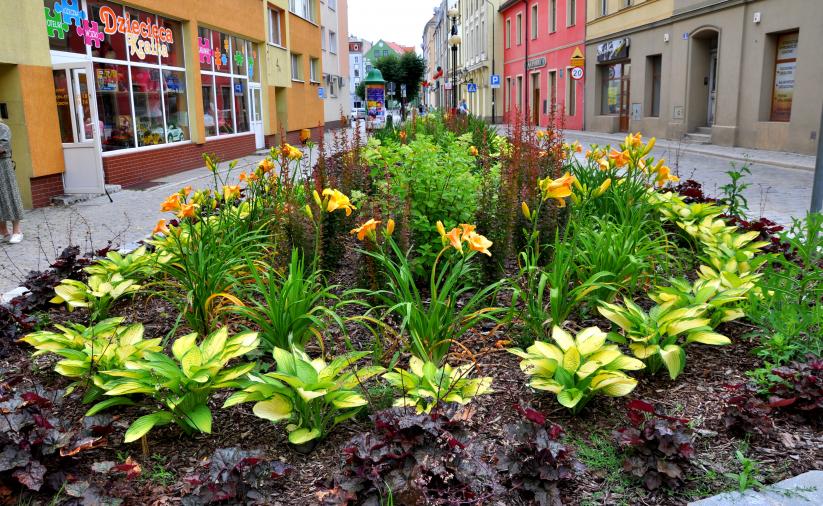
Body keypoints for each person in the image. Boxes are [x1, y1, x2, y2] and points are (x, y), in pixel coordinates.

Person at [0, 119, 24, 244]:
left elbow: (3, 147)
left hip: (3, 166)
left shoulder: (3, 128)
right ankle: (3, 232)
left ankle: (17, 231)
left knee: (10, 196)